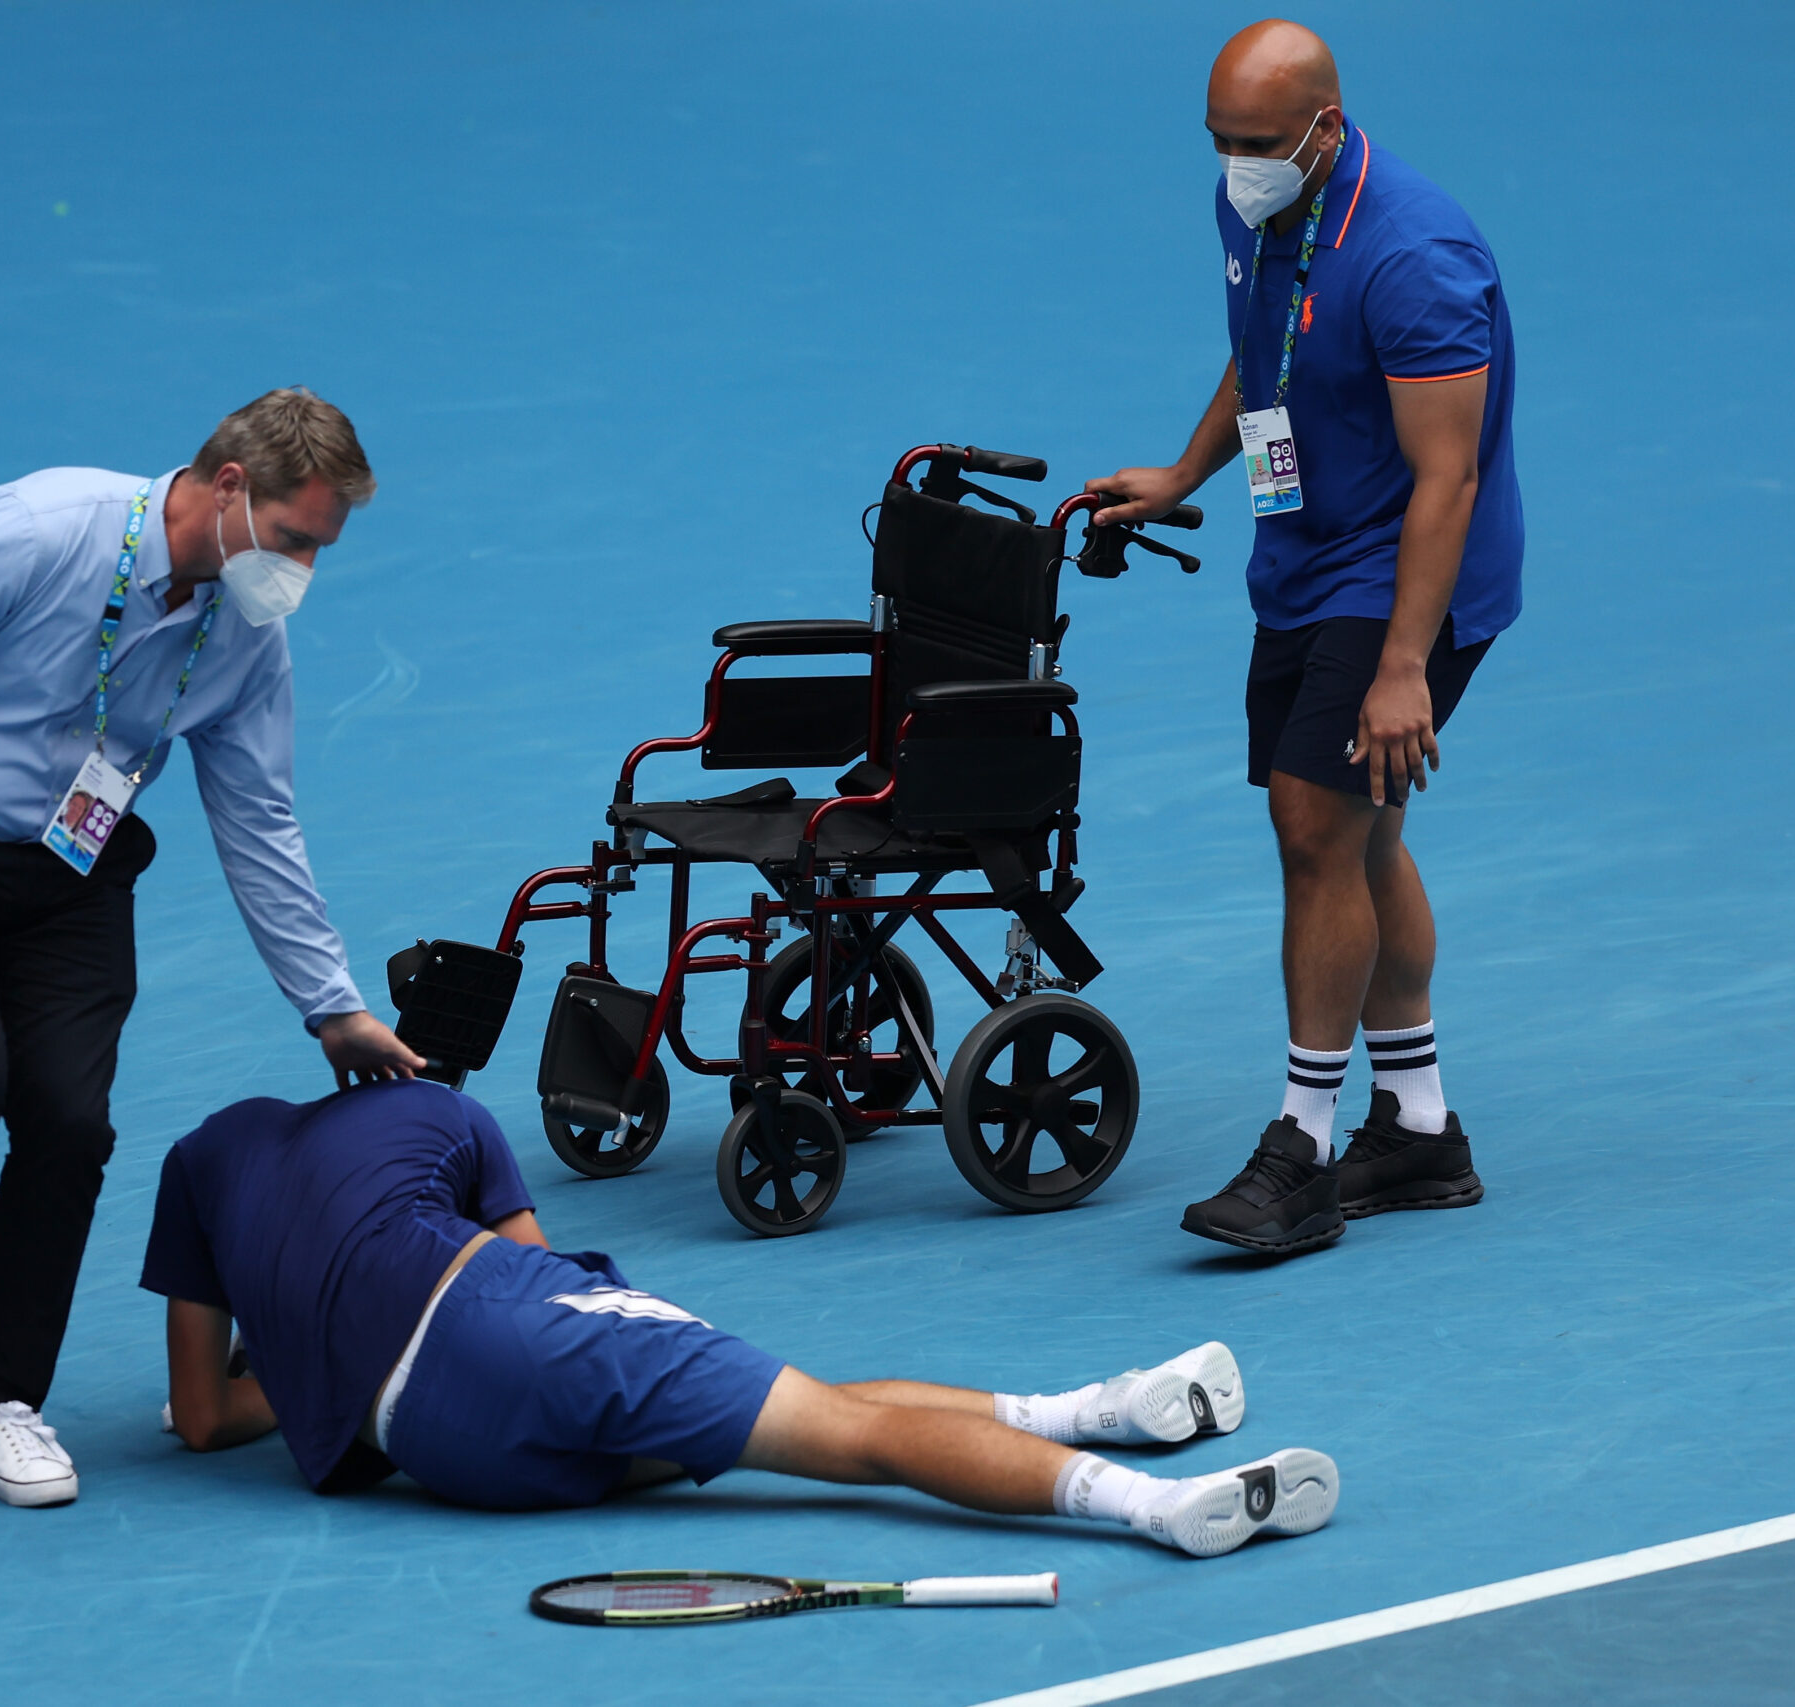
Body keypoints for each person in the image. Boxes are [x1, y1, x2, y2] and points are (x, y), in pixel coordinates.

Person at [0, 388, 427, 1507]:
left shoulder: (243, 633)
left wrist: (331, 1004)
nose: (303, 571)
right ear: (229, 488)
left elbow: (258, 819)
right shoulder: (42, 531)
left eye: (323, 549)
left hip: (71, 876)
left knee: (70, 1124)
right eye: (294, 539)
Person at [141, 1081, 1340, 1558]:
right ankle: (1153, 1504)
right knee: (836, 1430)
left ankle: (1097, 1409)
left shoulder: (198, 1166)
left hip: (447, 1455)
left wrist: (297, 1372)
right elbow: (537, 1282)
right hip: (504, 1327)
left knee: (791, 1417)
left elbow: (199, 1419)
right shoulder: (442, 1115)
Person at [1086, 20, 1520, 1257]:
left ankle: (1304, 1148)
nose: (1237, 166)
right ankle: (1422, 1130)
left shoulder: (1415, 255)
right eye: (1220, 142)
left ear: (1326, 130)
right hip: (1305, 554)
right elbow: (1261, 356)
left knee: (1312, 824)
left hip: (1403, 577)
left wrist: (1400, 668)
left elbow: (1449, 483)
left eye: (1261, 144)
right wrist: (1183, 474)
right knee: (1363, 832)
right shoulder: (1256, 203)